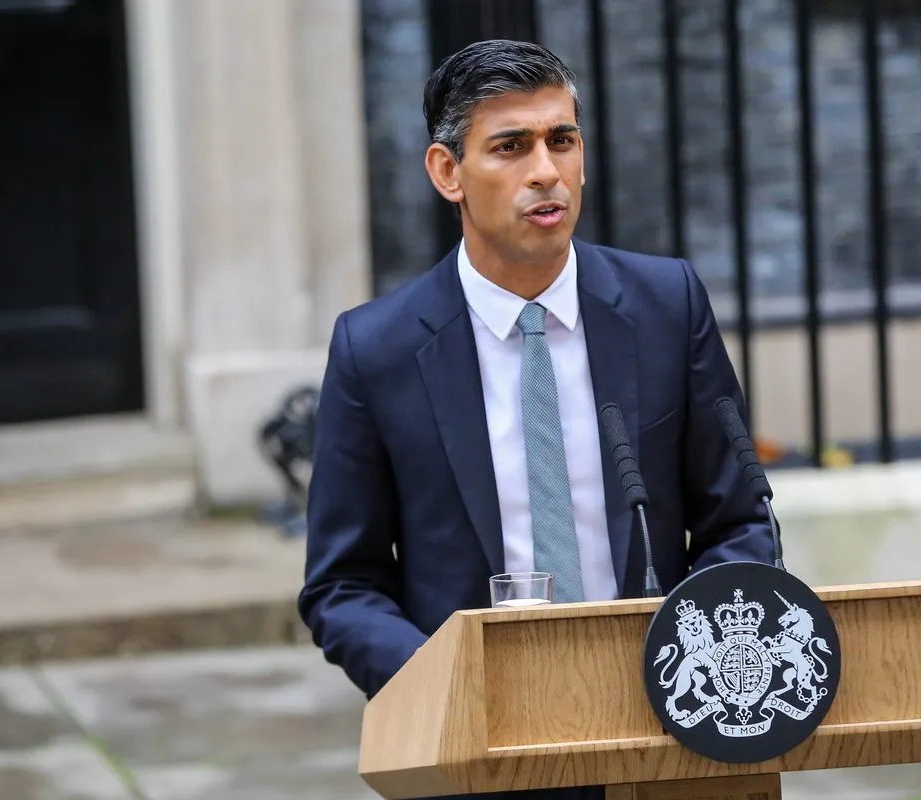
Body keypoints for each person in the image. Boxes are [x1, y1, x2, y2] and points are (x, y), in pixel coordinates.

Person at [299, 38, 775, 800]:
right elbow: (342, 585)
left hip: (666, 735)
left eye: (562, 140)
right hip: (481, 754)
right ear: (447, 172)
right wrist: (447, 690)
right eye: (511, 147)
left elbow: (741, 522)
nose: (546, 171)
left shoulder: (667, 306)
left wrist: (696, 660)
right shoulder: (376, 351)